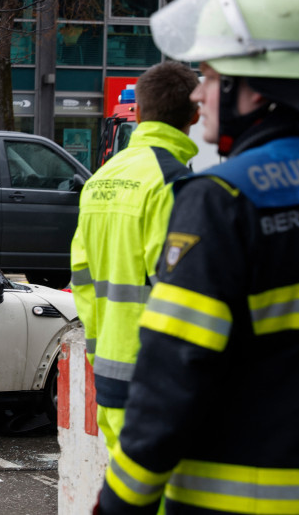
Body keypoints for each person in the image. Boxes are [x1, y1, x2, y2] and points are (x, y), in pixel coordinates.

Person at [97, 0, 299, 513]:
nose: (199, 94)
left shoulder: (223, 198)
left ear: (254, 90)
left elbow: (172, 377)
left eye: (208, 75)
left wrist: (120, 501)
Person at [70, 61, 200, 452]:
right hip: (158, 377)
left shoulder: (100, 179)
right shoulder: (175, 183)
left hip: (110, 367)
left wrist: (99, 349)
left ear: (138, 113)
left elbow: (82, 278)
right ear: (195, 114)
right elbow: (184, 293)